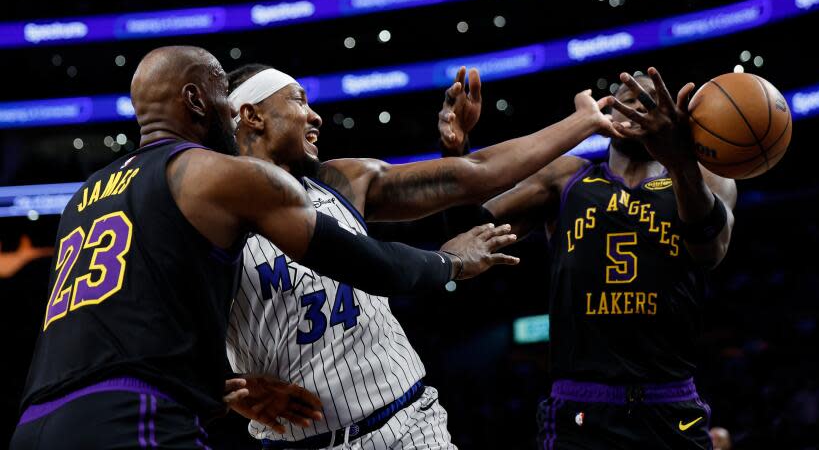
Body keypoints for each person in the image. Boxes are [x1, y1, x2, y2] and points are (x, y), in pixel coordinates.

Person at [9, 46, 520, 450]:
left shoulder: (87, 197)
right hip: (135, 414)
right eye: (221, 97)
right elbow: (370, 264)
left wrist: (224, 386)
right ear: (200, 102)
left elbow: (141, 310)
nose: (227, 111)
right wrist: (450, 262)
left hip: (37, 412)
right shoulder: (211, 183)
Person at [222, 63, 621, 449]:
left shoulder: (340, 181)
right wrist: (225, 390)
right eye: (298, 101)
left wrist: (583, 121)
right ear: (253, 116)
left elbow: (478, 171)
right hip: (301, 444)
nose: (315, 116)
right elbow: (182, 346)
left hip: (410, 425)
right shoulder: (212, 220)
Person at [476, 68, 737, 449]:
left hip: (669, 402)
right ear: (609, 115)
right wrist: (455, 152)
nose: (637, 107)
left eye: (649, 101)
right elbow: (471, 226)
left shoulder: (705, 178)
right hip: (580, 406)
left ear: (670, 116)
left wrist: (680, 160)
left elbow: (710, 250)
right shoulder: (566, 178)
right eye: (627, 100)